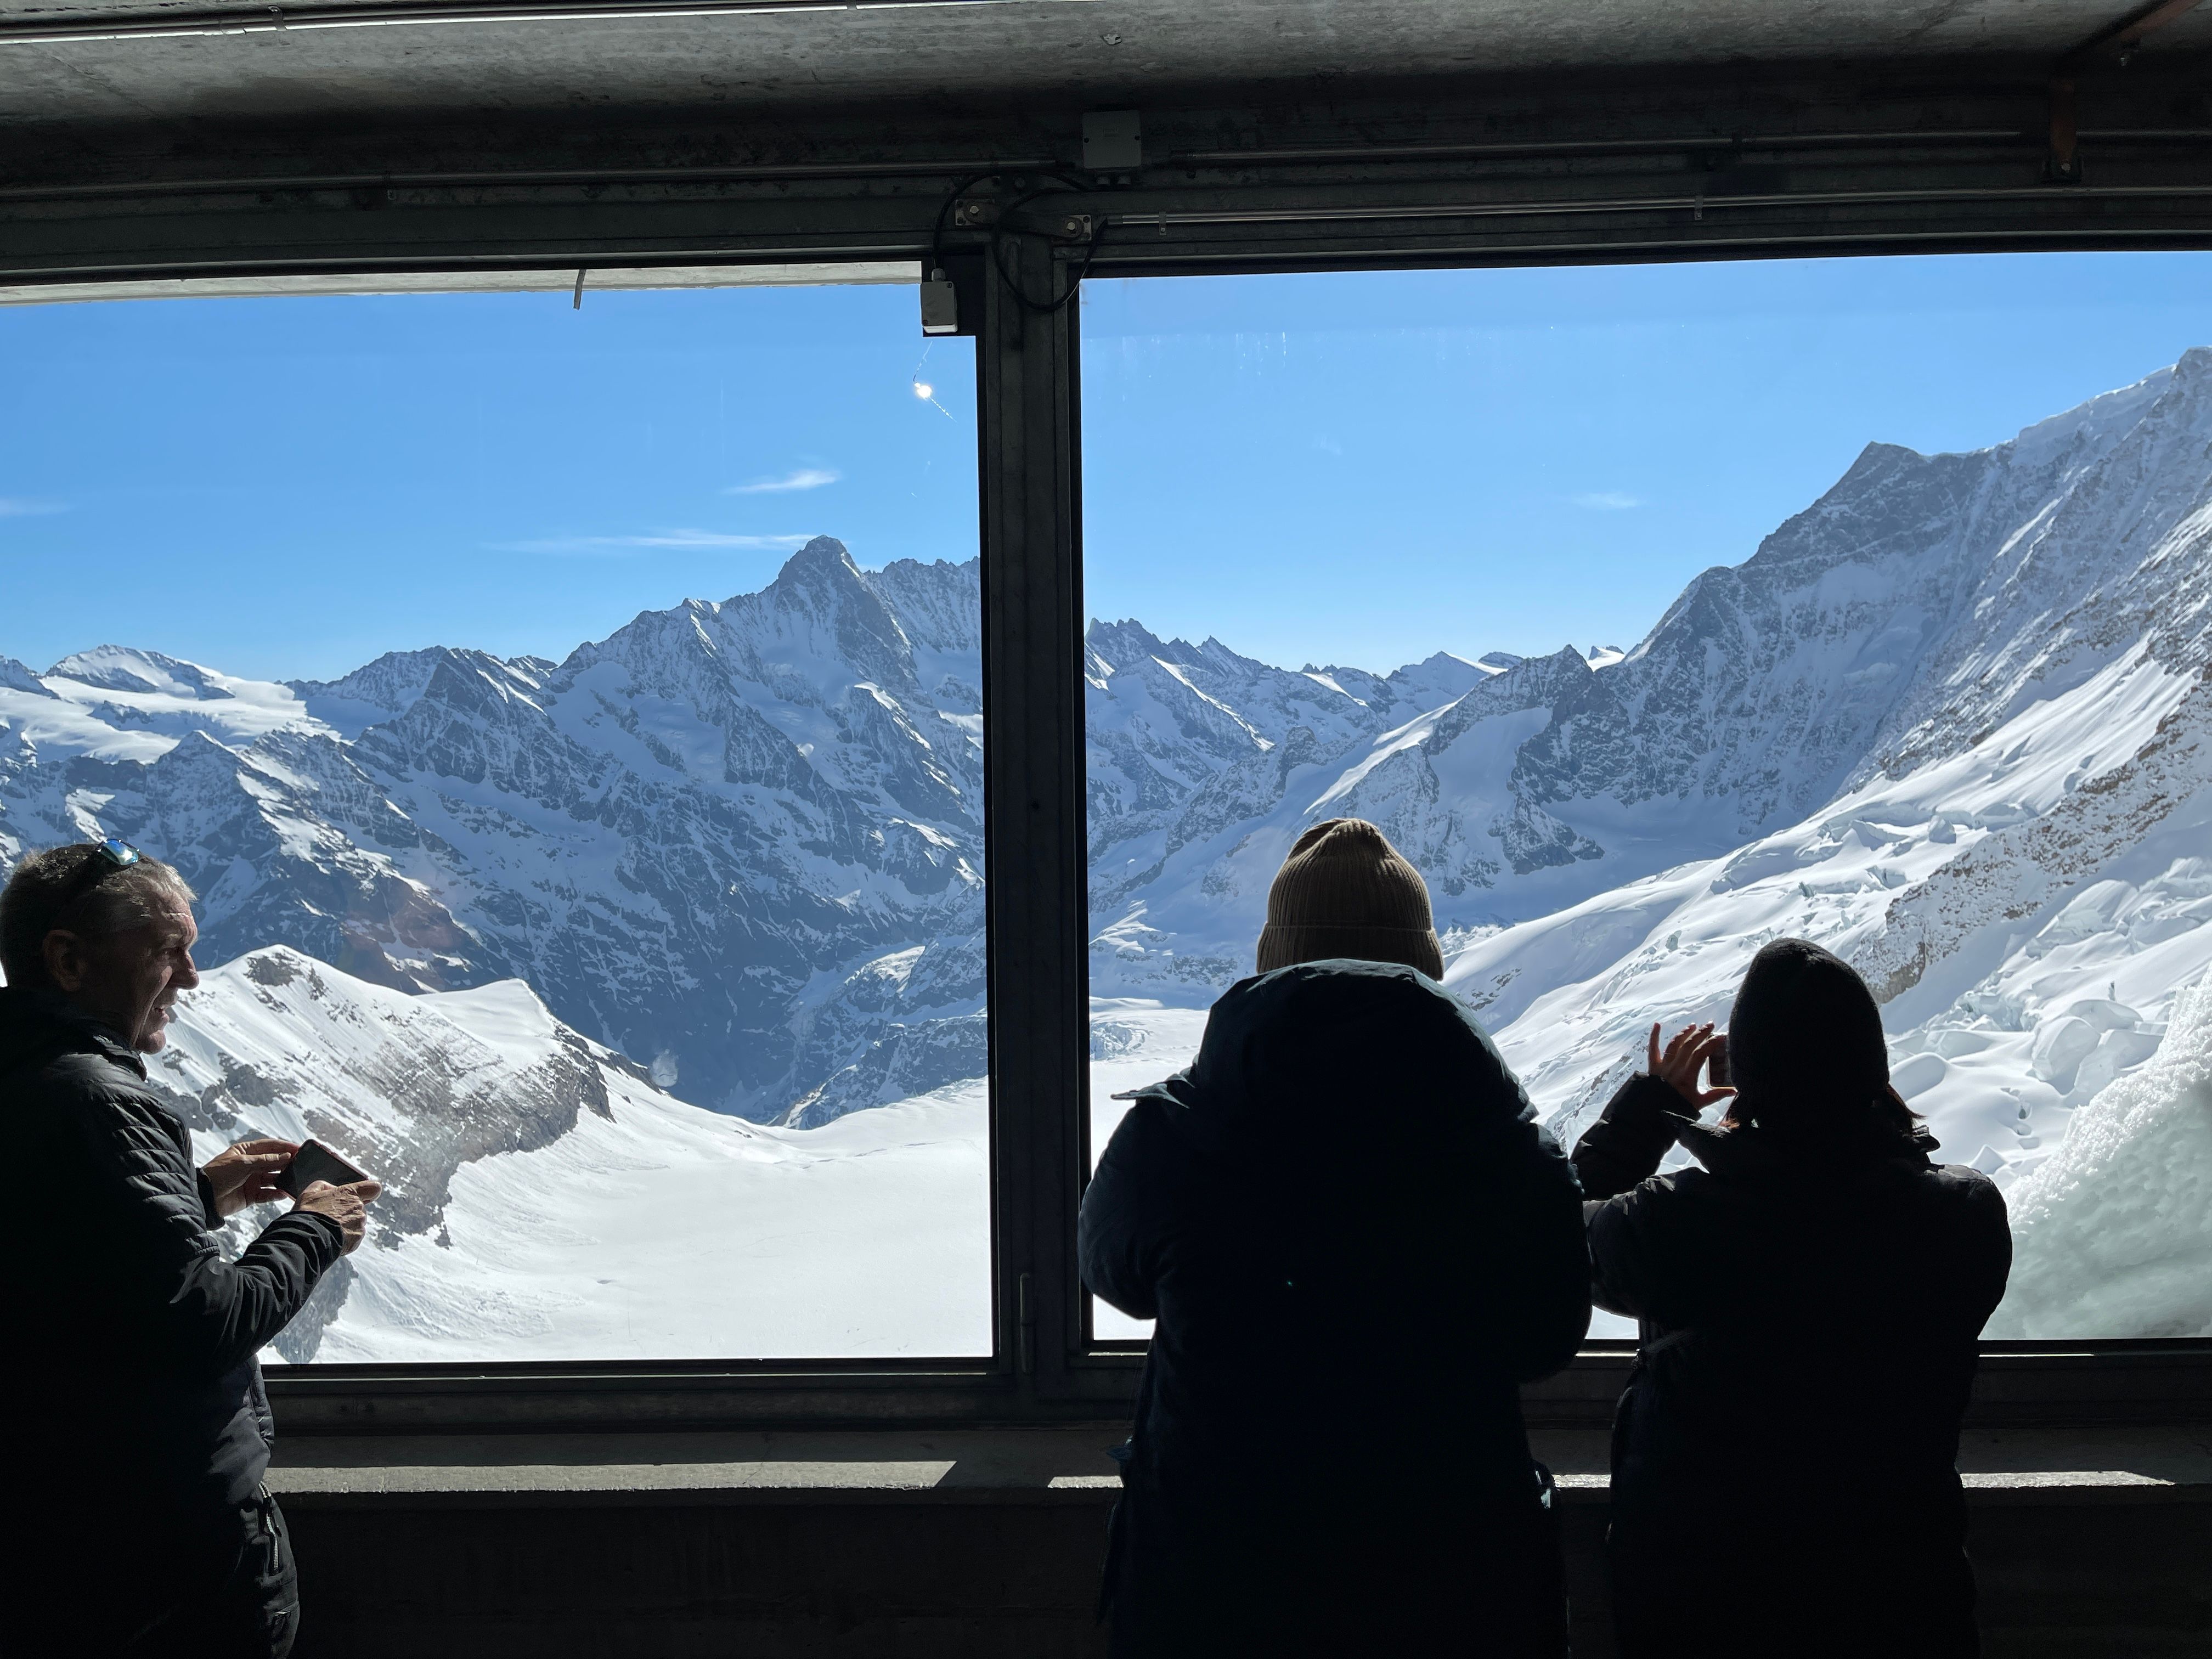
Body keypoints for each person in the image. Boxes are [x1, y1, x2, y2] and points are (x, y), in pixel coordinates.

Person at [1081, 818, 1590, 1657]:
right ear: (1425, 962)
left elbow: (1115, 1275)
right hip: (1454, 1590)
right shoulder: (1505, 1147)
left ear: (1274, 957)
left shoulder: (1175, 1135)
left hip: (1214, 1589)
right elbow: (1547, 1337)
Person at [1572, 938, 2012, 1659]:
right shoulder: (1963, 1217)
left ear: (1747, 1080)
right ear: (1874, 1075)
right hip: (1902, 1606)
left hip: (1702, 1613)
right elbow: (1873, 1191)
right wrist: (1884, 1120)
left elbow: (1557, 1241)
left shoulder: (1678, 1223)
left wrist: (1649, 1113)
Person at [0, 840, 382, 1657]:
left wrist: (199, 1195)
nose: (194, 977)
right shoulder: (96, 1099)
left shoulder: (21, 1077)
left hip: (54, 1528)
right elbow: (199, 1321)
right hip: (166, 1556)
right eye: (169, 953)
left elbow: (61, 1258)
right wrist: (316, 1226)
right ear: (69, 961)